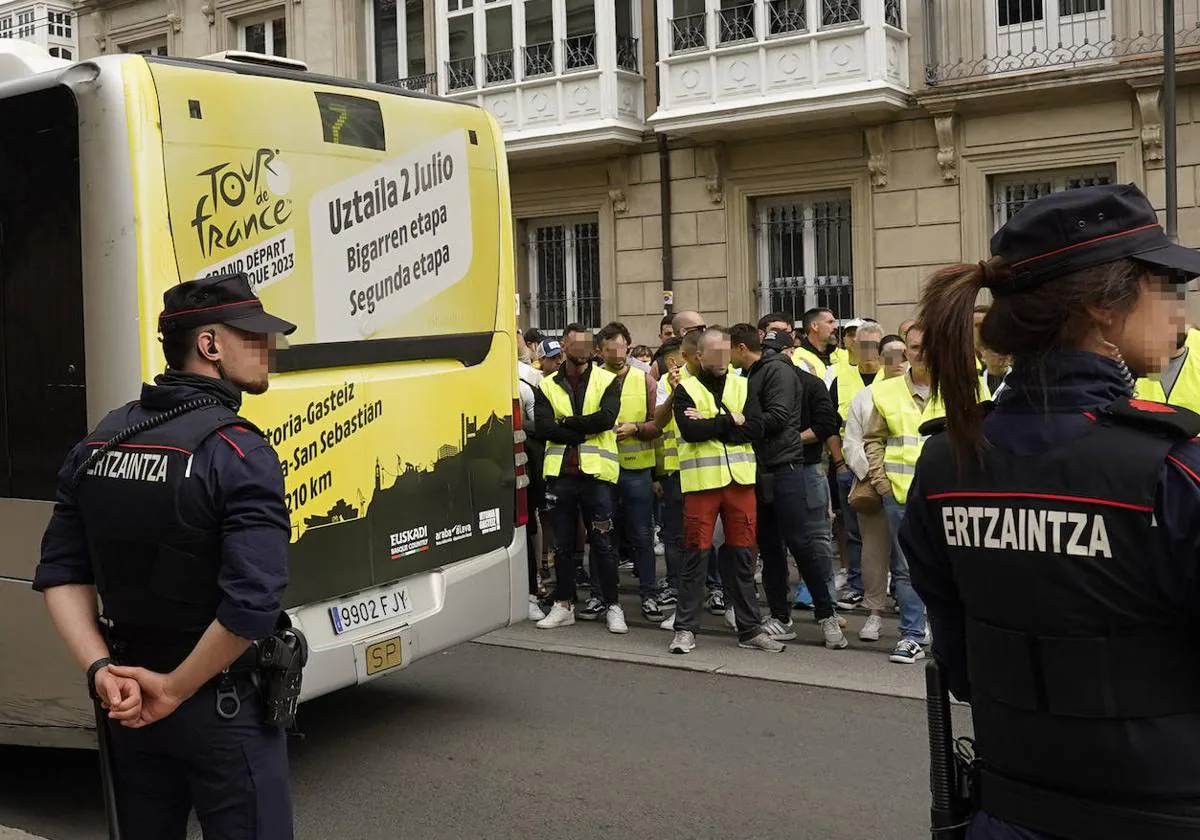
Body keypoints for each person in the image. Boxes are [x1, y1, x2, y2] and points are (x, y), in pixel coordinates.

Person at [902, 182, 1200, 840]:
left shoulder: (946, 465)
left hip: (1010, 809)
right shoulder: (1174, 468)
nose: (1181, 312)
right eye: (1165, 287)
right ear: (1101, 306)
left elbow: (962, 662)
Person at [33, 272, 296, 839]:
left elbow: (60, 572)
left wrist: (102, 669)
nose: (268, 347)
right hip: (217, 704)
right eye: (253, 335)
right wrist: (173, 689)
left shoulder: (99, 441)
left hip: (126, 700)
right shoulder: (239, 450)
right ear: (210, 346)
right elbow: (251, 604)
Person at [731, 324, 848, 649]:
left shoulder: (783, 376)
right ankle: (783, 617)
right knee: (771, 547)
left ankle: (824, 615)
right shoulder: (755, 376)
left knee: (802, 543)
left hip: (789, 469)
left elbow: (786, 418)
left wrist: (741, 423)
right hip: (768, 468)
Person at [669, 327, 767, 653]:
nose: (722, 358)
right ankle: (685, 629)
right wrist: (730, 420)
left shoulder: (743, 384)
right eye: (715, 352)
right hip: (702, 485)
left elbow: (756, 427)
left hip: (739, 482)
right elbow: (690, 431)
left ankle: (750, 629)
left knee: (742, 558)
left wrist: (714, 420)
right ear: (699, 355)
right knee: (695, 557)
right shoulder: (686, 389)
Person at [533, 323, 628, 633]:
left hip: (597, 476)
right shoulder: (547, 385)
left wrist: (569, 423)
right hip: (561, 474)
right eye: (574, 344)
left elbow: (607, 419)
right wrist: (584, 429)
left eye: (585, 344)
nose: (580, 350)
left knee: (603, 543)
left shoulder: (607, 380)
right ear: (564, 345)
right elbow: (545, 427)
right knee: (562, 546)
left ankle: (612, 604)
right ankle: (564, 604)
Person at [862, 324, 937, 664]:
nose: (920, 353)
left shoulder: (960, 387)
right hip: (901, 493)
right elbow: (873, 439)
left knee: (950, 566)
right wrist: (881, 482)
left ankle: (945, 631)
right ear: (906, 351)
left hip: (947, 496)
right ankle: (911, 635)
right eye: (915, 347)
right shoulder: (888, 392)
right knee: (906, 568)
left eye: (927, 346)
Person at [596, 321, 664, 622]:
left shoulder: (644, 379)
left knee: (642, 535)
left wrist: (635, 428)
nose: (618, 356)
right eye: (611, 351)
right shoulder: (592, 380)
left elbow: (657, 425)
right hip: (602, 469)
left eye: (622, 349)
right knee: (602, 536)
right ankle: (601, 596)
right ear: (600, 351)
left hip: (638, 471)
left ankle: (649, 594)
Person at [843, 333, 908, 641]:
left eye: (903, 356)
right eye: (891, 356)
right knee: (874, 553)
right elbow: (852, 442)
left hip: (911, 488)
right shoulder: (866, 396)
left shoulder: (923, 392)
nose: (898, 363)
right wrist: (874, 476)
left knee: (912, 556)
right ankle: (874, 613)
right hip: (876, 487)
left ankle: (916, 616)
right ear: (881, 360)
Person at [830, 320, 886, 609]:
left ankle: (890, 586)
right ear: (854, 345)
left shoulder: (892, 378)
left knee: (889, 532)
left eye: (874, 346)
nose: (868, 352)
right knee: (853, 531)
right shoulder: (841, 378)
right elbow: (831, 425)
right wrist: (840, 463)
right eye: (863, 345)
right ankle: (855, 584)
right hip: (850, 466)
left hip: (886, 467)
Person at [793, 307, 837, 382]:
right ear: (814, 326)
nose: (835, 327)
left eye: (834, 322)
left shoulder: (844, 354)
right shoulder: (796, 357)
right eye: (830, 322)